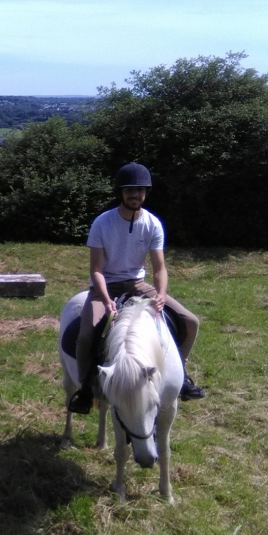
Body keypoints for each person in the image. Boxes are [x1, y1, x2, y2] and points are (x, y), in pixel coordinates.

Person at [67, 162, 205, 414]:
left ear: (146, 193)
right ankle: (85, 389)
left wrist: (161, 296)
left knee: (190, 321)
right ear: (121, 192)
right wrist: (107, 300)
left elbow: (159, 268)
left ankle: (181, 377)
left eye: (141, 190)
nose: (136, 195)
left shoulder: (153, 224)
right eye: (130, 190)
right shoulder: (102, 223)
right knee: (86, 335)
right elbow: (95, 269)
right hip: (104, 286)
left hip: (138, 284)